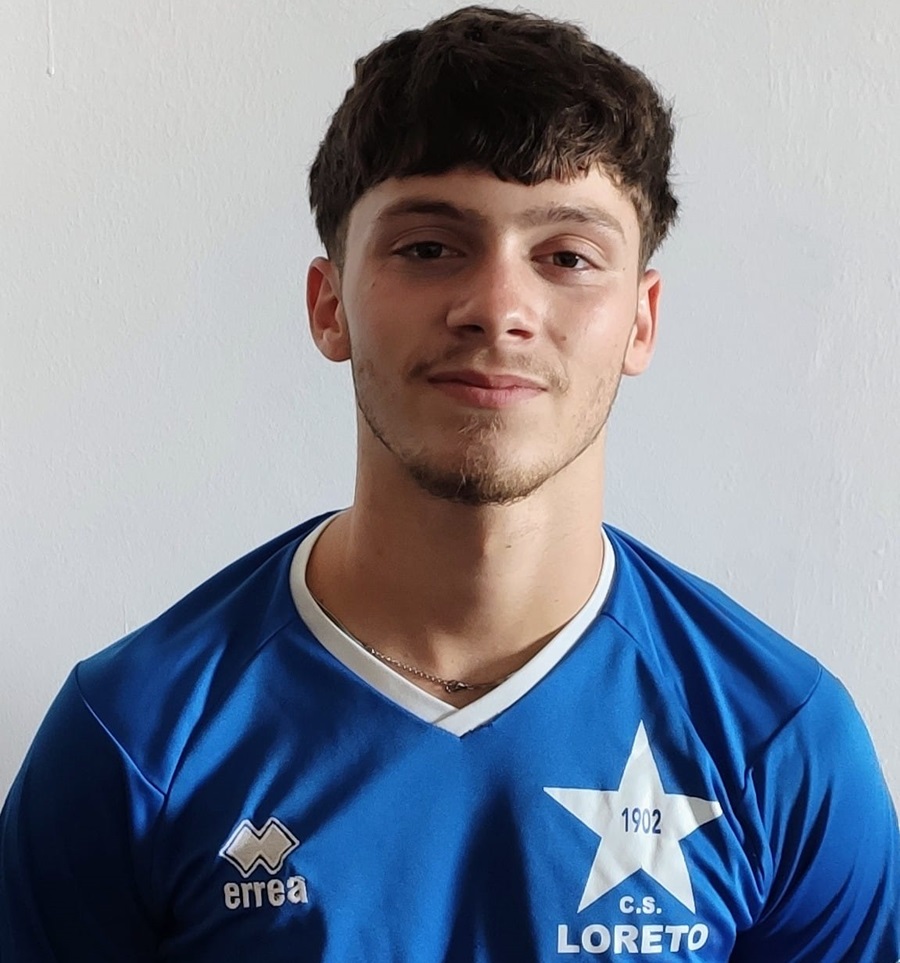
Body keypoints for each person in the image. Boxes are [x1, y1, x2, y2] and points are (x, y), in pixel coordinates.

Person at [1, 5, 897, 960]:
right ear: (329, 305)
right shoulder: (135, 736)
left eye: (567, 257)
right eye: (429, 248)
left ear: (640, 322)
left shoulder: (776, 742)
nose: (498, 307)